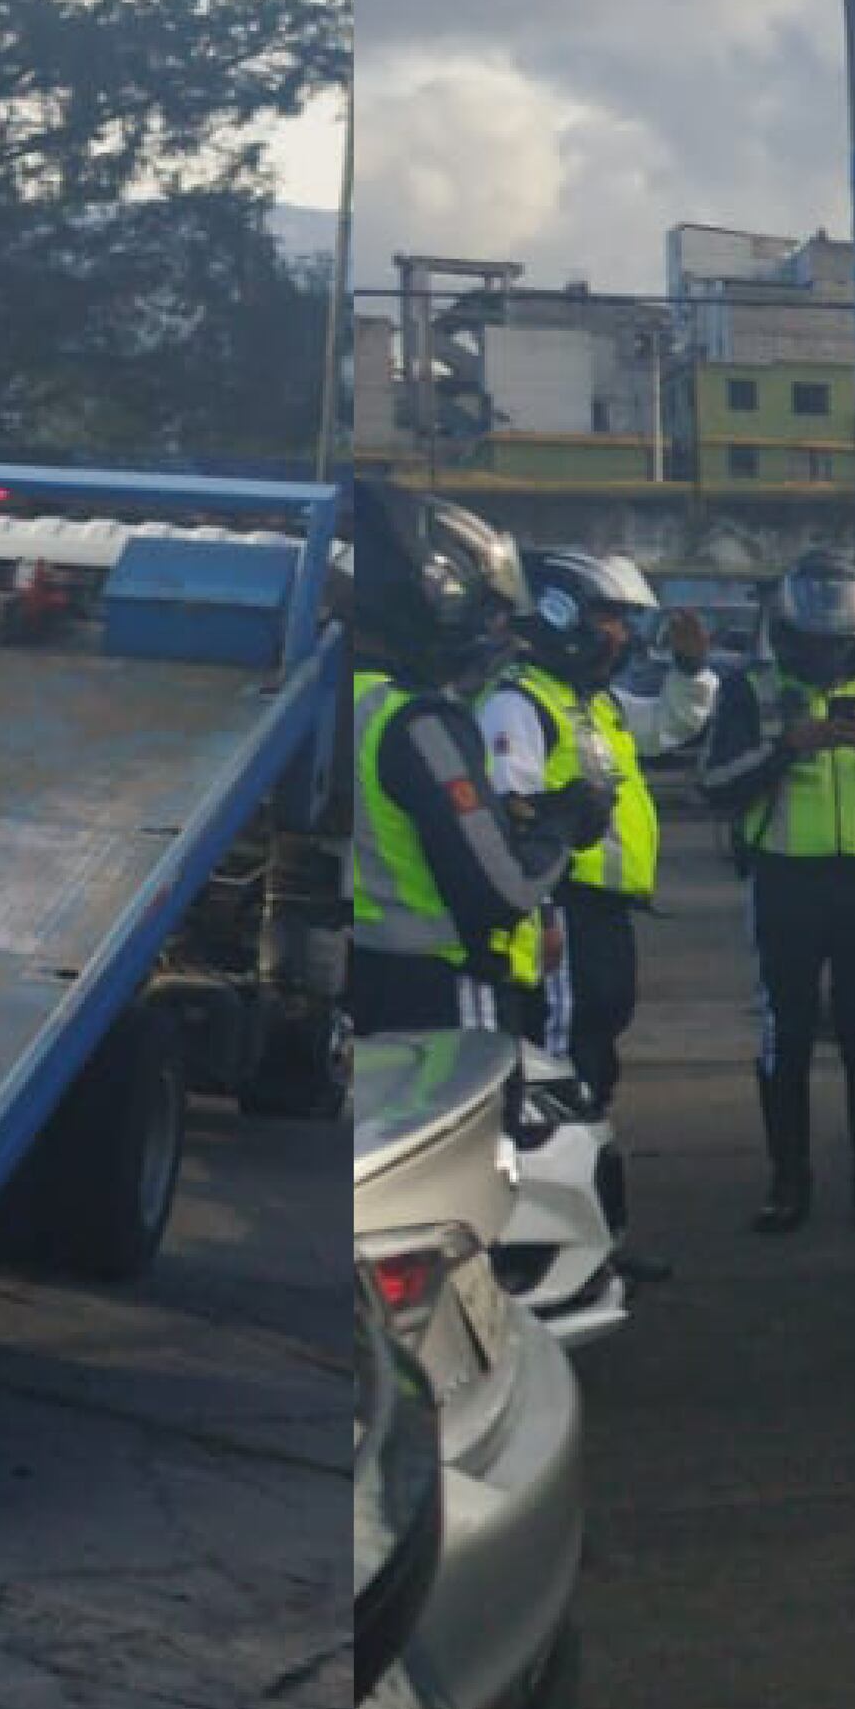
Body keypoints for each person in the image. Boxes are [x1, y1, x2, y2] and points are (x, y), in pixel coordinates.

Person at [701, 550, 855, 1234]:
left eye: (843, 642)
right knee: (787, 1038)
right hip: (786, 884)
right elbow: (715, 785)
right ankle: (788, 1182)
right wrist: (788, 747)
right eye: (816, 642)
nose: (830, 655)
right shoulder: (752, 691)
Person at [340, 483, 604, 1036]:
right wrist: (561, 827)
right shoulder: (419, 722)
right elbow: (501, 893)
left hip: (363, 976)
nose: (496, 632)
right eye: (486, 614)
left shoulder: (344, 696)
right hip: (440, 990)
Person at [490, 550, 684, 1278]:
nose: (619, 636)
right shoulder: (520, 704)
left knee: (594, 1069)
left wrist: (692, 672)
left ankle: (594, 1240)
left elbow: (667, 725)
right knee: (565, 1080)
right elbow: (514, 824)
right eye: (607, 617)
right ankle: (566, 1257)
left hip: (601, 914)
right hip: (559, 914)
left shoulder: (588, 703)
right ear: (562, 615)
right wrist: (543, 913)